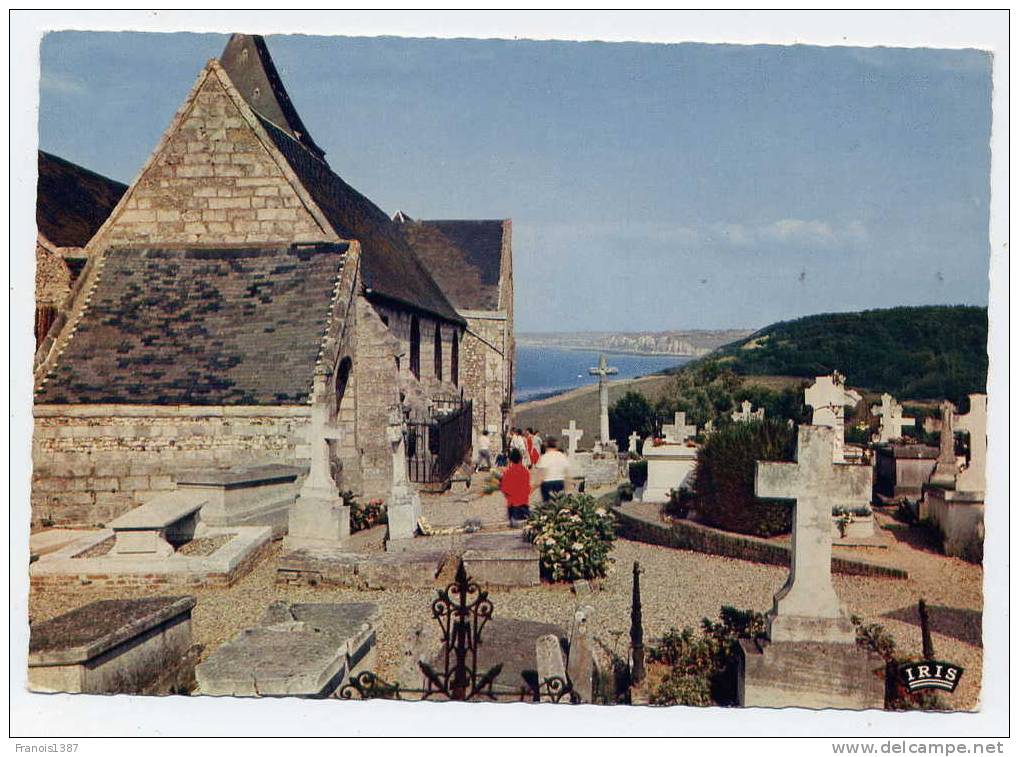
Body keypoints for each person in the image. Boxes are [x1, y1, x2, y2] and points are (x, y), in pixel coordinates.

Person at [499, 448, 532, 526]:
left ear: (510, 460)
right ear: (521, 459)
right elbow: (528, 489)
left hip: (512, 507)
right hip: (524, 505)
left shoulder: (507, 472)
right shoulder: (525, 472)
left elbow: (504, 489)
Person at [534, 436, 571, 502]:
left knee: (548, 507)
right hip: (560, 483)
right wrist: (568, 489)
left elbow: (541, 477)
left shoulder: (545, 457)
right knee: (559, 505)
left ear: (546, 445)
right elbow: (566, 474)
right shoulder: (561, 456)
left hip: (547, 485)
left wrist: (533, 488)